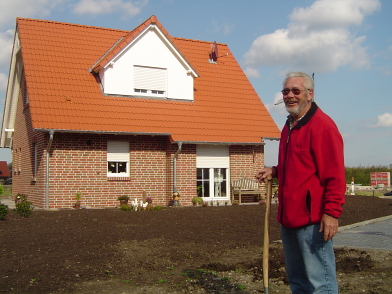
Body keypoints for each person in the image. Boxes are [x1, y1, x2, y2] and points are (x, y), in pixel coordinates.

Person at [256, 72, 346, 294]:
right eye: (286, 91)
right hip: (289, 219)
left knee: (320, 283)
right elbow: (299, 164)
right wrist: (275, 171)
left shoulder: (322, 127)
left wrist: (332, 213)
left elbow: (335, 176)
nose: (289, 96)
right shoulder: (289, 125)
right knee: (297, 281)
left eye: (295, 91)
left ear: (310, 94)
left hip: (312, 222)